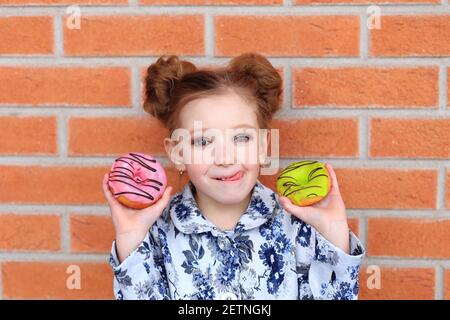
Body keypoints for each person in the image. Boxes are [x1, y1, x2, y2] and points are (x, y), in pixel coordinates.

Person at [102, 52, 365, 300]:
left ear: (263, 146)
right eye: (203, 141)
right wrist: (131, 238)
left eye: (241, 137)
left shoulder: (298, 228)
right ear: (177, 152)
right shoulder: (156, 234)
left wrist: (334, 235)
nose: (226, 158)